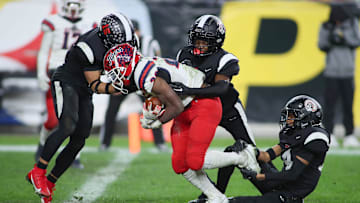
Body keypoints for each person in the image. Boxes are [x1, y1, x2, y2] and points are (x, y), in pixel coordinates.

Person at [103, 42, 261, 203]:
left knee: (195, 160)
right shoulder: (141, 70)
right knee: (180, 164)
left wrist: (158, 121)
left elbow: (176, 106)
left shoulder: (144, 75)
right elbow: (164, 98)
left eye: (116, 72)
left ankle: (242, 157)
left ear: (127, 65)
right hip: (187, 106)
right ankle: (216, 197)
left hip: (204, 104)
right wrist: (152, 112)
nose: (117, 77)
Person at [26, 13, 138, 203]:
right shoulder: (89, 46)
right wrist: (119, 87)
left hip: (85, 89)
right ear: (106, 37)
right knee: (68, 125)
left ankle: (51, 183)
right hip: (67, 82)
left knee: (80, 139)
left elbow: (132, 63)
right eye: (117, 44)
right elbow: (95, 84)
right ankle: (37, 171)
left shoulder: (128, 40)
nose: (122, 48)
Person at [170, 14, 256, 201]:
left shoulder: (226, 59)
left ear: (216, 42)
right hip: (196, 112)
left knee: (252, 153)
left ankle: (275, 190)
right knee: (189, 158)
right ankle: (212, 194)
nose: (199, 45)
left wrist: (189, 90)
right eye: (197, 40)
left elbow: (220, 89)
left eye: (205, 41)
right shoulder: (184, 54)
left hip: (227, 109)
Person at [219, 95, 330, 203]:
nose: (288, 120)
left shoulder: (315, 139)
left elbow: (292, 174)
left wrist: (259, 176)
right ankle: (217, 192)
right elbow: (267, 156)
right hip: (280, 184)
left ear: (306, 118)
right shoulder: (295, 134)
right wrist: (250, 150)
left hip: (289, 195)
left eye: (292, 116)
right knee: (235, 152)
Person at [35, 0, 96, 169]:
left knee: (79, 121)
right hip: (58, 73)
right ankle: (42, 146)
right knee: (53, 121)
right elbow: (44, 50)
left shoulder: (89, 24)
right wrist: (41, 72)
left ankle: (74, 156)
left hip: (79, 74)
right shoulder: (54, 22)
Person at [99, 19, 168, 152]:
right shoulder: (119, 43)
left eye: (134, 31)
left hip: (143, 82)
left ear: (139, 31)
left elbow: (158, 62)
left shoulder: (150, 43)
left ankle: (160, 142)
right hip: (124, 81)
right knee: (111, 111)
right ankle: (105, 143)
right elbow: (113, 64)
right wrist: (115, 83)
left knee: (154, 108)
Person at [318, 3, 360, 147]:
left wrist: (344, 38)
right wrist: (331, 37)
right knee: (330, 106)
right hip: (332, 73)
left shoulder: (352, 24)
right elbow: (321, 45)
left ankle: (349, 134)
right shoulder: (326, 26)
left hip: (347, 73)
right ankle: (329, 133)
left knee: (348, 105)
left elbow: (356, 41)